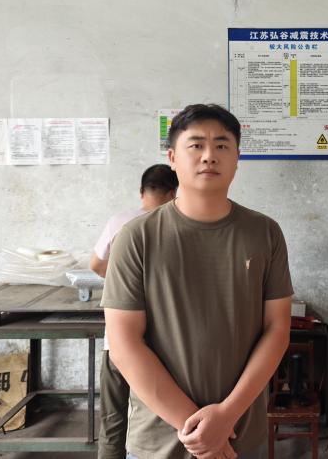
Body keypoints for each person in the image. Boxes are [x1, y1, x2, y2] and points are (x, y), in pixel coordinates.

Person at [102, 104, 293, 459]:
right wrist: (201, 431)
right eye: (196, 145)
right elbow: (124, 343)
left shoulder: (265, 233)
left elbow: (277, 329)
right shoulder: (137, 237)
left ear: (237, 159)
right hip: (159, 441)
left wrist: (227, 416)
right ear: (173, 158)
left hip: (240, 434)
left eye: (222, 145)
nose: (209, 156)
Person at [91, 164, 179, 459]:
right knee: (159, 415)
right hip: (160, 343)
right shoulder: (176, 225)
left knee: (113, 418)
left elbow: (95, 264)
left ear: (142, 192)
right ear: (173, 193)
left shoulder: (121, 222)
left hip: (117, 341)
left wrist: (121, 281)